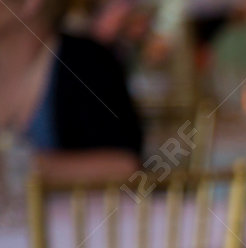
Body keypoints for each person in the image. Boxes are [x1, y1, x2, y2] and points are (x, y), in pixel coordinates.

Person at [0, 0, 142, 184]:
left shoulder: (86, 62)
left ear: (30, 3)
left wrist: (19, 167)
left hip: (78, 212)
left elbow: (124, 166)